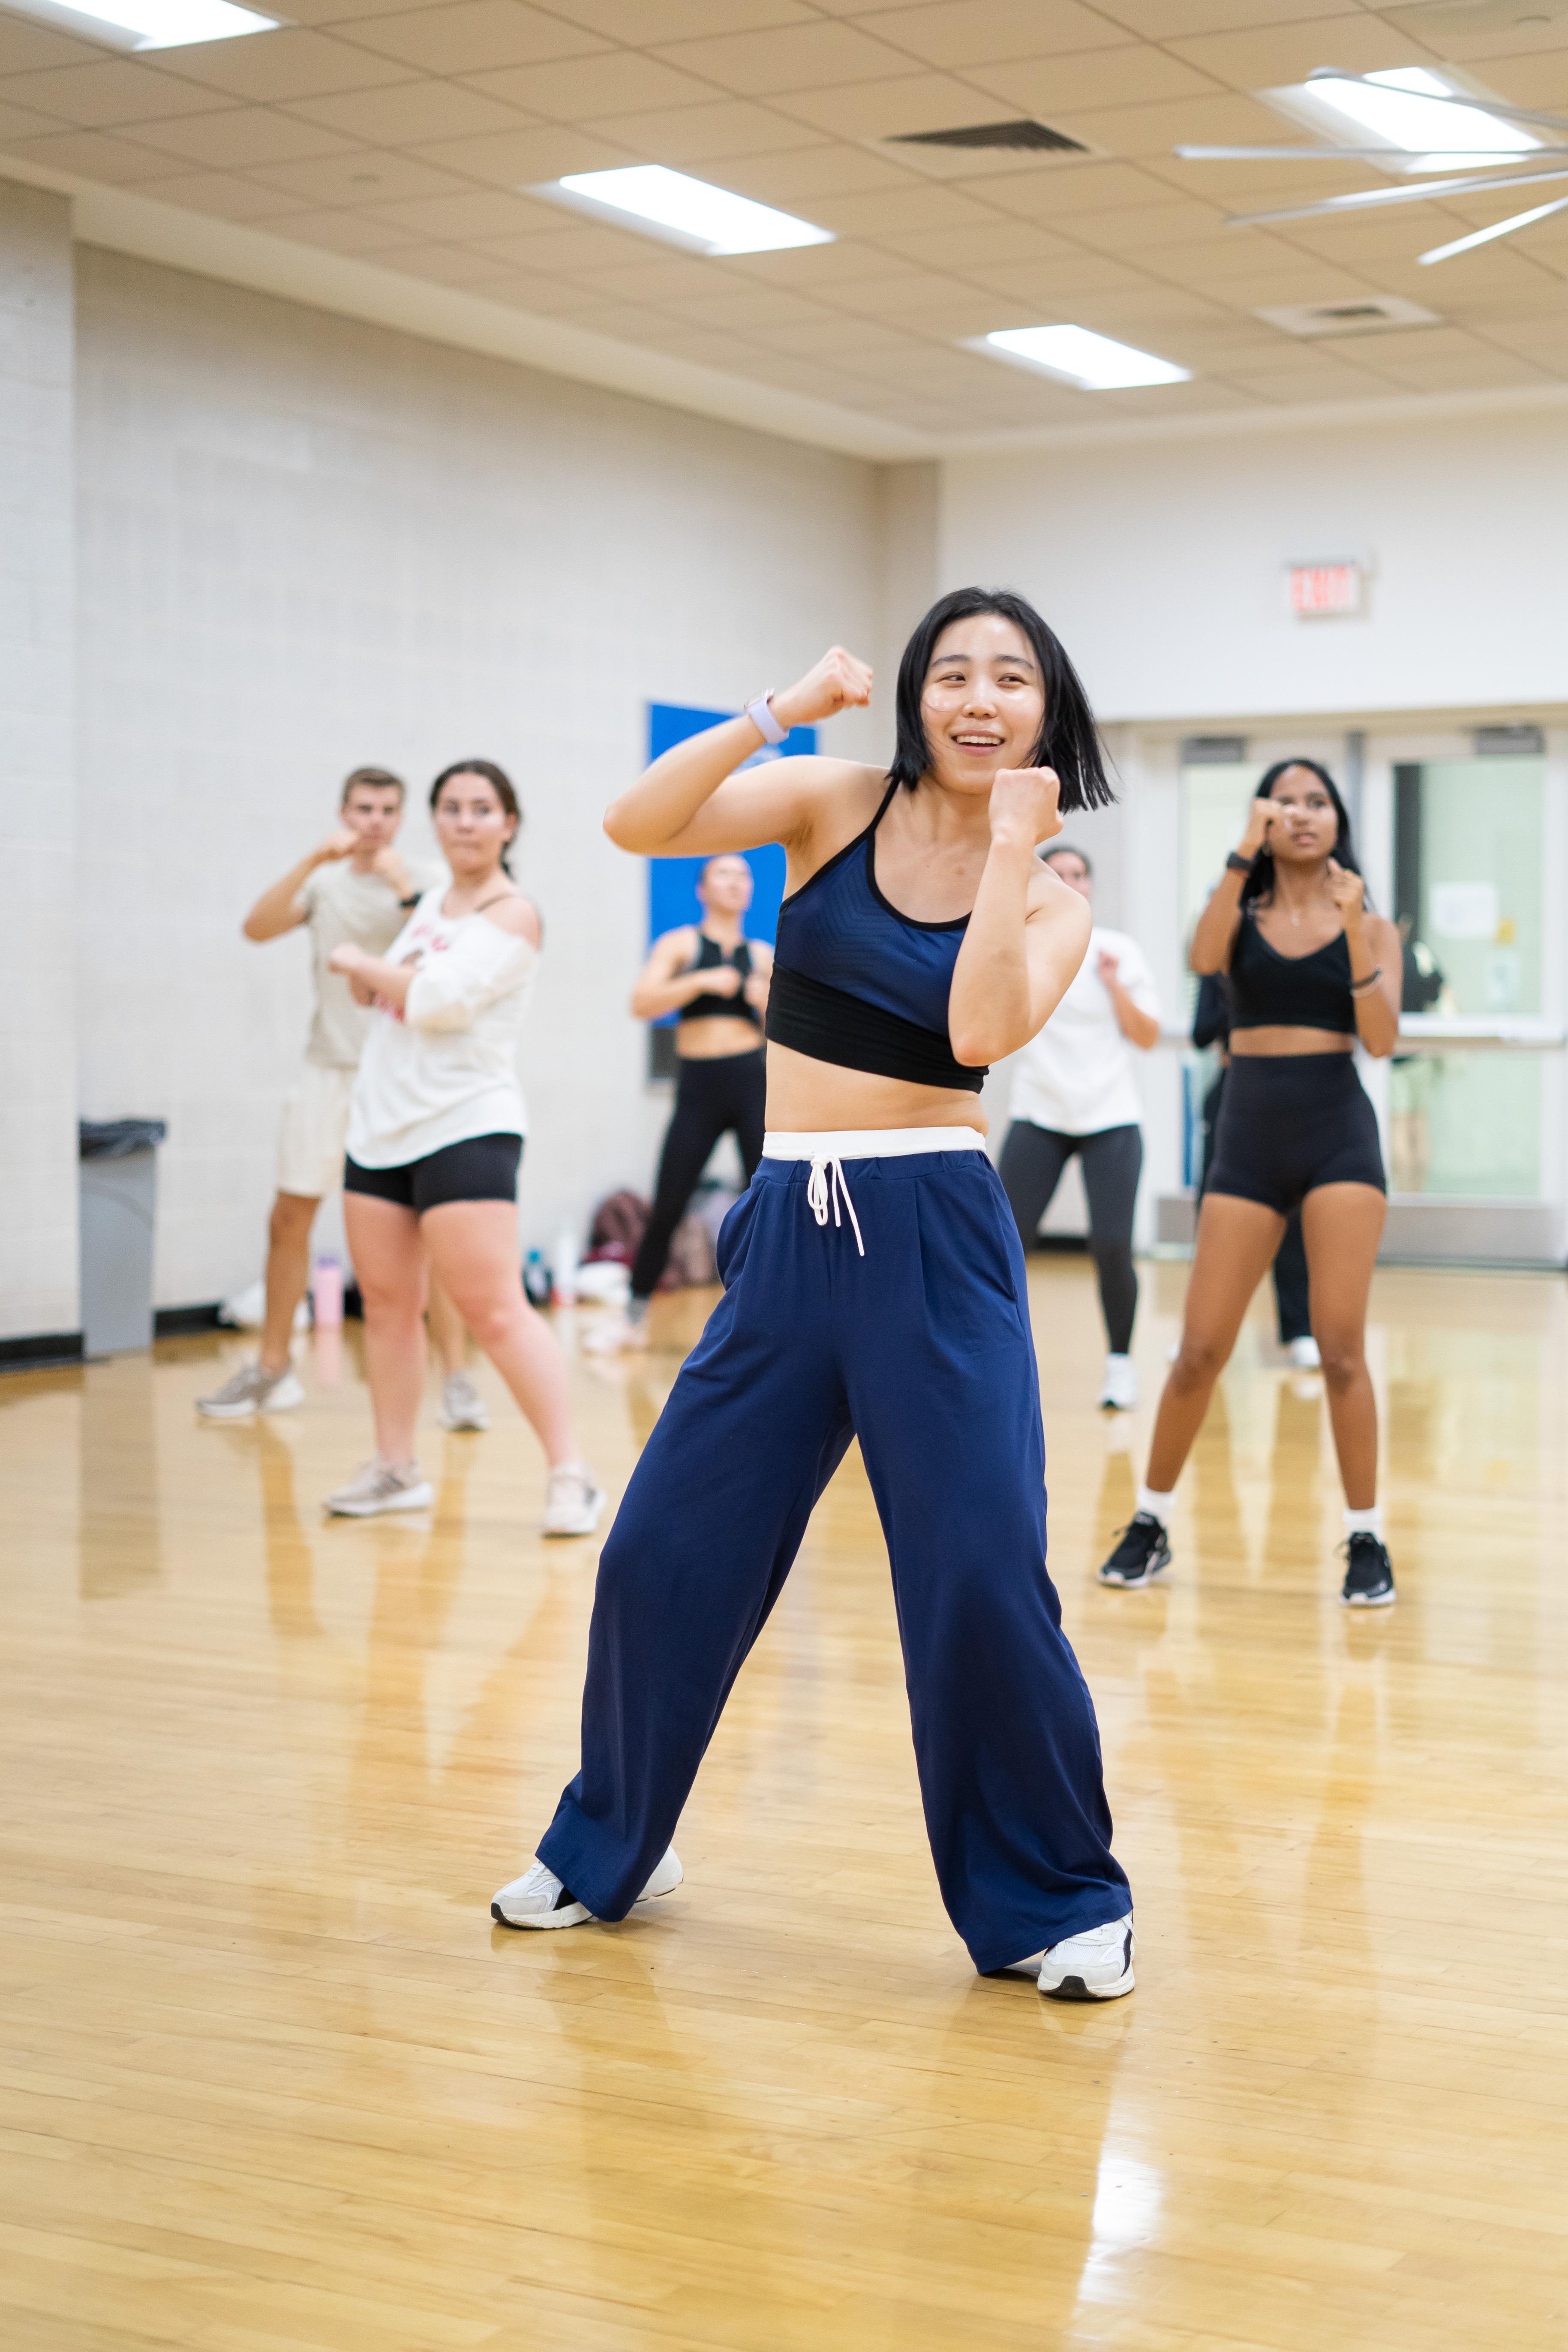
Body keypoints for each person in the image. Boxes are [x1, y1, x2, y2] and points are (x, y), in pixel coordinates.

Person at [492, 588, 1136, 2001]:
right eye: (952, 673)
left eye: (1009, 678)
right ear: (911, 696)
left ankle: (1060, 1894)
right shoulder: (830, 799)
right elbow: (636, 823)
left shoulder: (1049, 894)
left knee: (974, 1568)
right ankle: (615, 1837)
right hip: (788, 1221)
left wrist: (1016, 841)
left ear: (1045, 710)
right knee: (659, 1545)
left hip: (932, 1229)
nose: (978, 697)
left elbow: (974, 1029)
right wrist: (776, 708)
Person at [1097, 760, 1401, 1608]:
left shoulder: (1366, 921)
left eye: (1316, 802)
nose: (1300, 814)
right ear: (1261, 818)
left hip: (1337, 1132)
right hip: (1247, 1135)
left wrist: (1350, 928)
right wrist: (1239, 855)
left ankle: (1365, 1534)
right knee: (1197, 1348)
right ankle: (1150, 1520)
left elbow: (1378, 1040)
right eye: (1284, 802)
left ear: (1337, 820)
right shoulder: (1240, 907)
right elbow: (1202, 957)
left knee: (1339, 1347)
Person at [320, 760, 603, 1536]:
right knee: (385, 1306)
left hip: (465, 1126)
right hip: (381, 1125)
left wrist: (357, 963)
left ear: (509, 824)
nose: (465, 820)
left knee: (493, 1309)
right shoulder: (432, 905)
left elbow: (438, 1002)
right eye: (451, 808)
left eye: (482, 808)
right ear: (436, 821)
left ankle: (570, 1472)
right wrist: (380, 978)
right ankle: (395, 1467)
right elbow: (406, 984)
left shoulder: (514, 914)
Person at [198, 769, 487, 1433]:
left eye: (387, 809)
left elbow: (451, 961)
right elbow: (255, 926)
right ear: (343, 811)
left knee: (434, 1234)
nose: (374, 821)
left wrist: (401, 885)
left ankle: (459, 1378)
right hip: (327, 1068)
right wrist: (310, 860)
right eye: (363, 809)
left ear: (401, 816)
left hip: (403, 1075)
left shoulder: (424, 881)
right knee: (288, 1216)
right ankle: (272, 1370)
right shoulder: (323, 881)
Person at [588, 853, 772, 1354]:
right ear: (702, 889)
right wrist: (700, 981)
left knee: (767, 1202)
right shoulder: (682, 945)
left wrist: (763, 1003)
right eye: (724, 875)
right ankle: (633, 1316)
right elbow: (641, 1003)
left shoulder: (761, 955)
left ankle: (770, 1317)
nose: (735, 883)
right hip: (698, 1085)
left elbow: (787, 1035)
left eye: (743, 876)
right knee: (668, 1201)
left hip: (751, 1080)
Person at [998, 843, 1159, 1409]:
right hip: (1040, 1111)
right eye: (1056, 872)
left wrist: (1114, 984)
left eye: (1078, 874)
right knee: (1004, 1242)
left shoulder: (1118, 948)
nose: (1068, 881)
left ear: (1090, 885)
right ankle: (997, 1361)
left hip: (1109, 1115)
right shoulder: (1015, 943)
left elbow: (1146, 1036)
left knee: (1112, 1244)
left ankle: (1119, 1364)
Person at [1192, 971, 1316, 1369]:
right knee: (1212, 1211)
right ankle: (1201, 1331)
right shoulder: (1219, 965)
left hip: (1290, 1089)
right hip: (1232, 1090)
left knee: (1294, 1214)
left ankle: (1300, 1329)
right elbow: (1201, 1032)